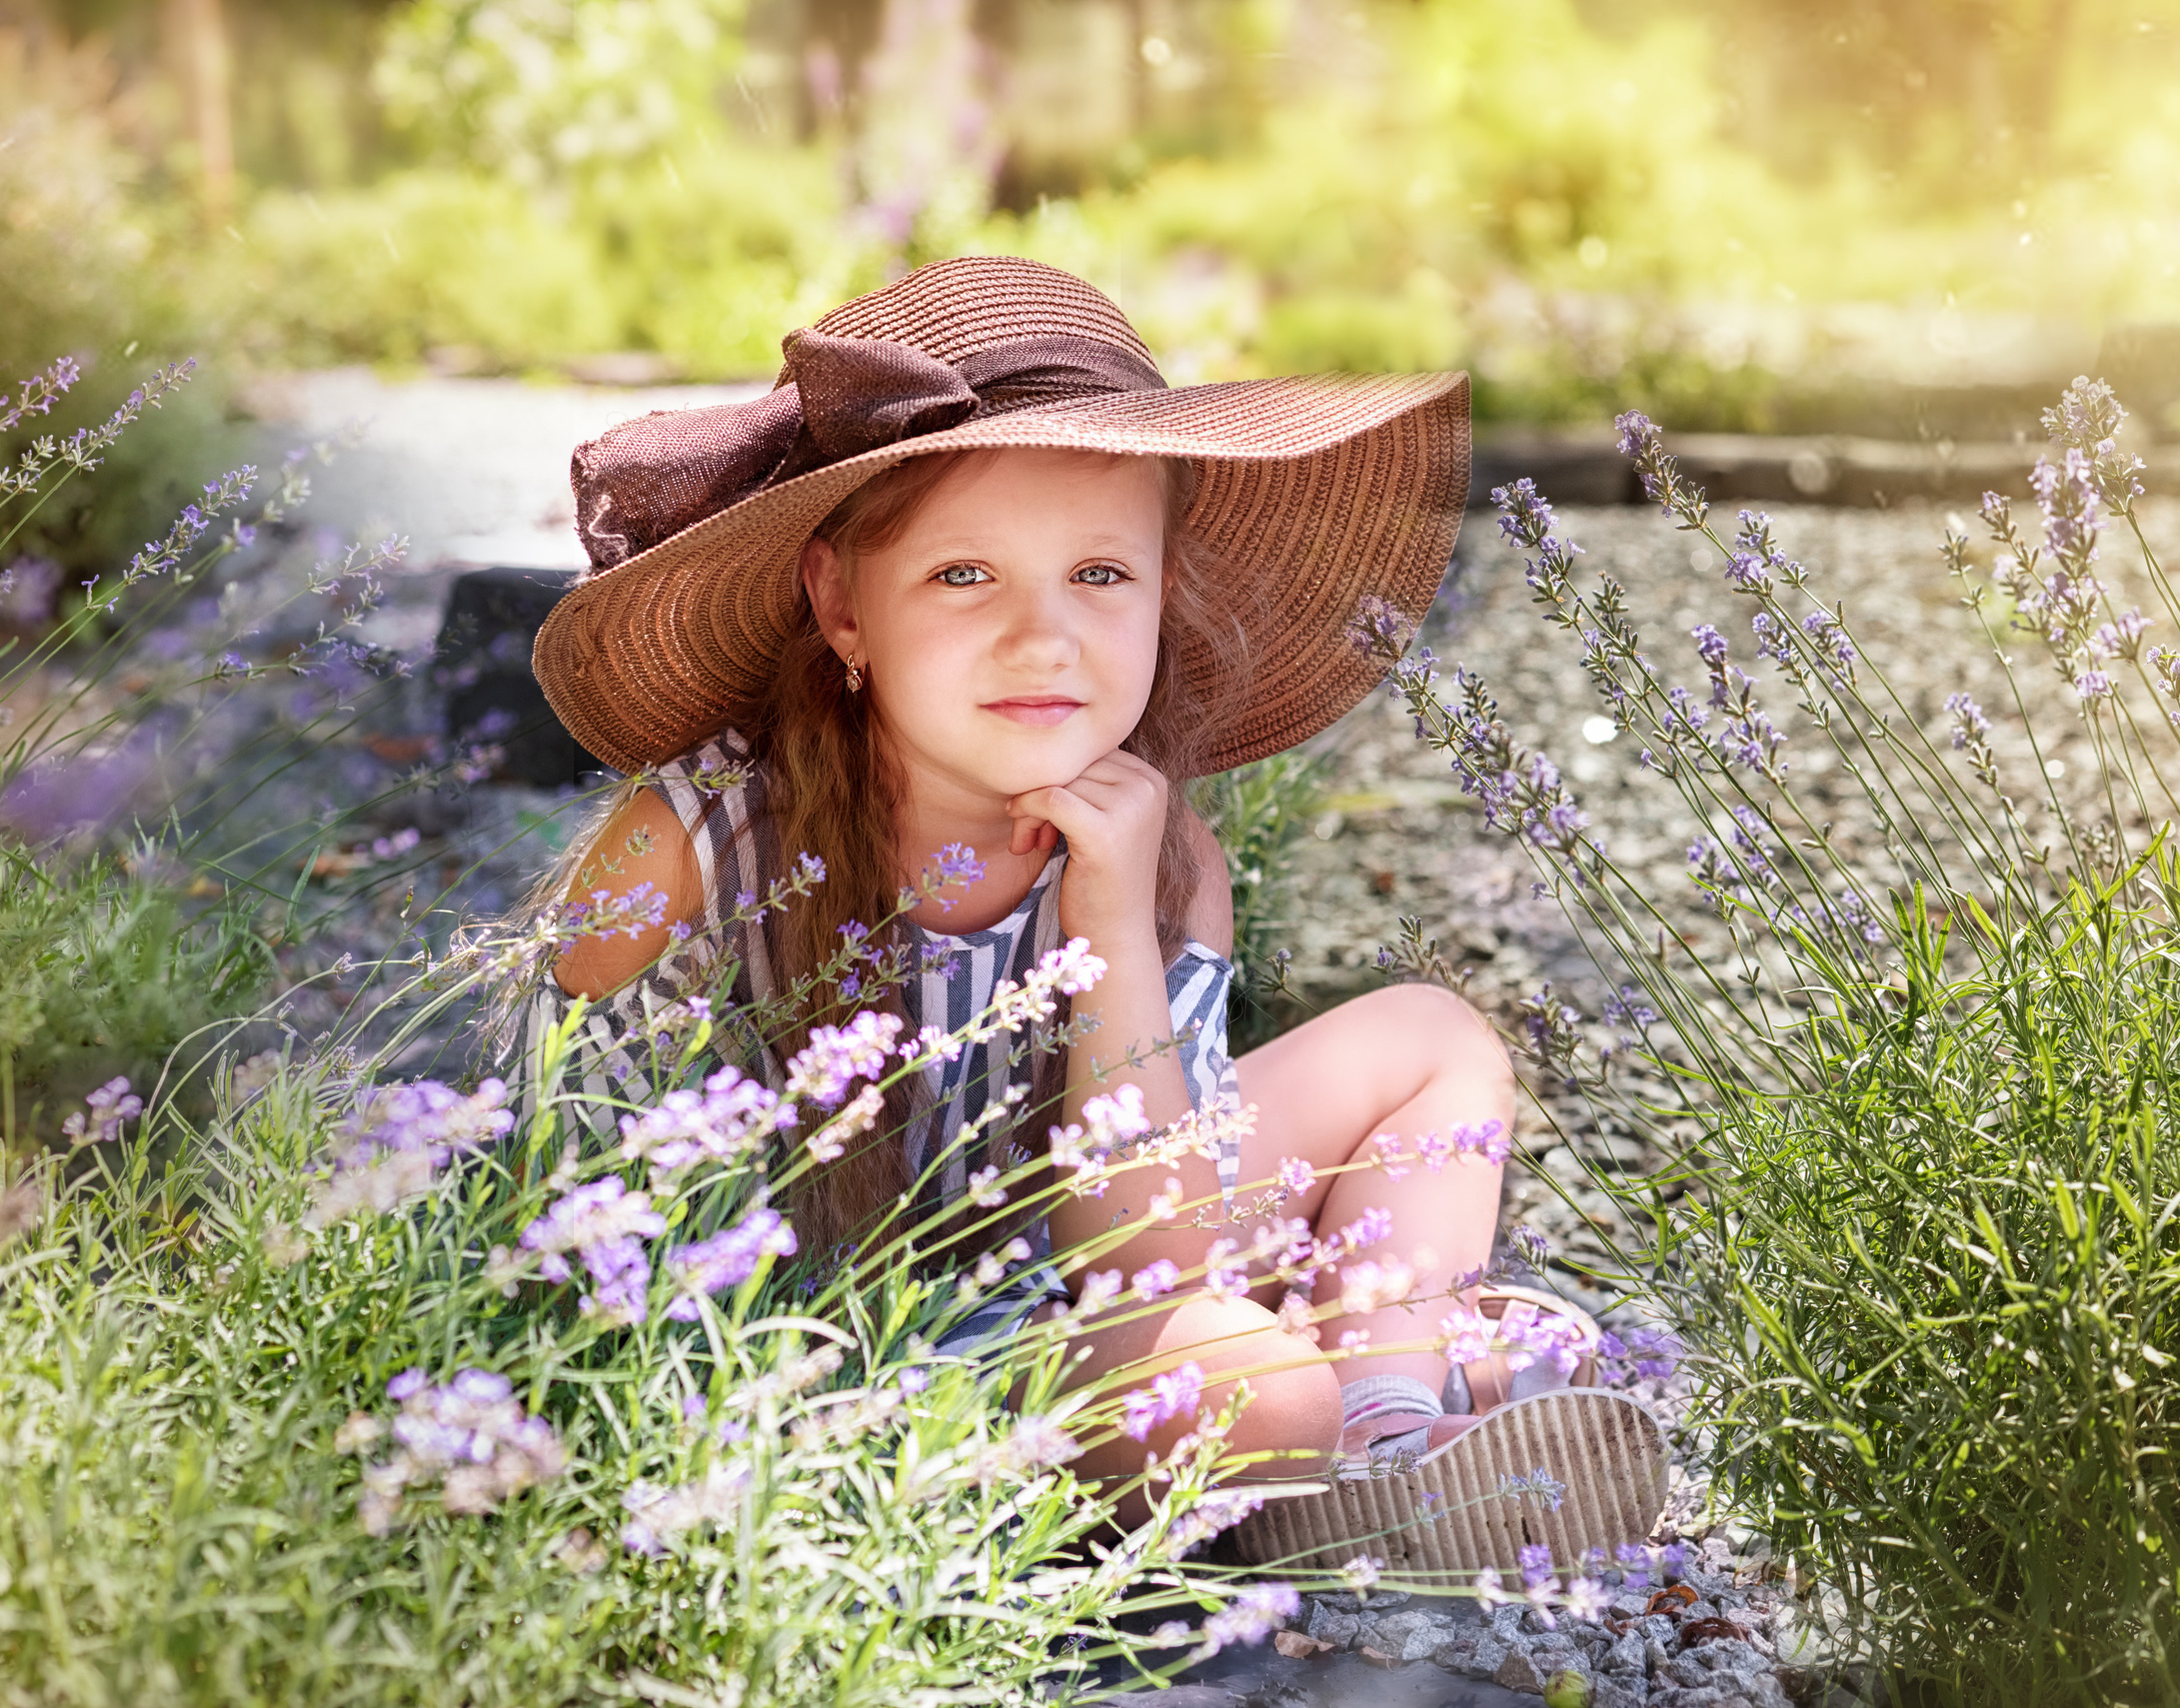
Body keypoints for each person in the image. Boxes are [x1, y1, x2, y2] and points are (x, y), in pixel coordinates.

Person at [526, 257, 1660, 1558]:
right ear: (843, 605)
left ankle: (1392, 1424)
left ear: (1163, 588)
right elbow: (561, 1198)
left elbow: (1148, 1244)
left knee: (1436, 1042)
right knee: (1254, 1394)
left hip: (1101, 1243)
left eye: (1100, 576)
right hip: (863, 1346)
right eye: (963, 576)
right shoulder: (697, 845)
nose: (1043, 636)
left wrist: (1111, 919)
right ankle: (1334, 1415)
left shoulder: (1162, 852)